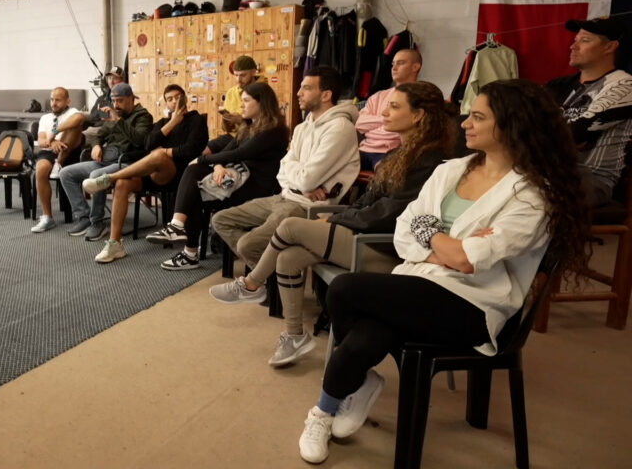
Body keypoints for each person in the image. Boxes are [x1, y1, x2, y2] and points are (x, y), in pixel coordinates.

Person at [297, 79, 589, 464]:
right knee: (371, 330)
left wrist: (434, 237)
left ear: (512, 125)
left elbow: (469, 260)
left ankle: (340, 396)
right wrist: (442, 244)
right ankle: (329, 406)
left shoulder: (532, 194)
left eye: (479, 117)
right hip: (421, 282)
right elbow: (407, 227)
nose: (465, 123)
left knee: (345, 291)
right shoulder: (451, 170)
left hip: (474, 304)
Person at [209, 82, 457, 366]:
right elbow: (367, 202)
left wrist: (339, 217)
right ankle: (295, 336)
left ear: (419, 116)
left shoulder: (430, 160)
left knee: (290, 226)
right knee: (288, 257)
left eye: (394, 106)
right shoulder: (399, 154)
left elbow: (391, 213)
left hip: (387, 247)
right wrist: (344, 216)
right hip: (365, 232)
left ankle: (252, 284)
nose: (384, 113)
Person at [211, 65, 360, 276]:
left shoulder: (340, 129)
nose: (298, 93)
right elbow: (282, 171)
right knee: (220, 220)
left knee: (247, 245)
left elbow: (306, 179)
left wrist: (300, 178)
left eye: (306, 88)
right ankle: (269, 276)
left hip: (308, 206)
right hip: (285, 196)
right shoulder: (302, 127)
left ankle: (262, 279)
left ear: (326, 95)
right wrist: (299, 178)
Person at [145, 81, 290, 270]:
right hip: (238, 179)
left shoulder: (274, 131)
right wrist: (217, 165)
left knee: (194, 177)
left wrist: (205, 161)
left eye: (246, 101)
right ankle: (183, 240)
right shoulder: (248, 127)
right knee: (195, 187)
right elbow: (229, 150)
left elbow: (240, 154)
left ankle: (184, 241)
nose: (241, 105)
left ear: (261, 103)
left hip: (257, 187)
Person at [83, 84, 208, 263]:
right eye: (170, 99)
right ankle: (114, 243)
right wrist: (172, 122)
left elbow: (193, 149)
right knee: (123, 184)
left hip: (181, 175)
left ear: (185, 98)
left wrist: (166, 152)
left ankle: (109, 178)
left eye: (177, 97)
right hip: (156, 174)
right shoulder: (164, 123)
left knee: (158, 154)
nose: (174, 101)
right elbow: (148, 144)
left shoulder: (196, 120)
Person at [544, 16, 632, 207]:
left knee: (524, 195)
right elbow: (522, 125)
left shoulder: (624, 85)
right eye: (575, 40)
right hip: (548, 171)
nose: (572, 47)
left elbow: (575, 132)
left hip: (591, 180)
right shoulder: (558, 86)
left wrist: (559, 136)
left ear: (610, 47)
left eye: (584, 41)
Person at [59, 82, 153, 241]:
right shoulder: (114, 115)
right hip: (106, 160)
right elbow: (98, 135)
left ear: (131, 99)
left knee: (96, 174)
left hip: (128, 163)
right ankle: (84, 217)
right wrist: (96, 146)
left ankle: (98, 222)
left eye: (120, 100)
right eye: (114, 101)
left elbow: (141, 141)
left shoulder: (143, 116)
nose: (116, 105)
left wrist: (118, 121)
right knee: (66, 173)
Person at [356, 49, 422, 170]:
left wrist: (373, 126)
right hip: (364, 148)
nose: (394, 68)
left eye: (401, 63)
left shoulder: (422, 96)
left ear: (415, 67)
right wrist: (387, 120)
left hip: (392, 152)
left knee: (386, 178)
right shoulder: (379, 95)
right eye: (393, 64)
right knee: (332, 166)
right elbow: (359, 124)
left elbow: (408, 133)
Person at [31, 87, 85, 233]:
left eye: (58, 100)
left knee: (74, 127)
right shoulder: (45, 118)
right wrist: (52, 142)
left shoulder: (73, 113)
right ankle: (47, 217)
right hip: (50, 151)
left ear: (68, 101)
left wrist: (55, 132)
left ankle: (59, 163)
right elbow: (42, 140)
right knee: (41, 169)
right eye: (52, 99)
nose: (54, 103)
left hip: (69, 150)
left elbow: (80, 118)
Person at [206, 55, 266, 154]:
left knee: (221, 157)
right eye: (236, 75)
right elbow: (226, 129)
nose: (238, 80)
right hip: (233, 135)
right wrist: (227, 119)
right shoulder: (231, 92)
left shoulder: (265, 91)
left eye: (243, 75)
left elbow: (265, 127)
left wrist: (242, 121)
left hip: (253, 137)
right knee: (204, 152)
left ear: (254, 72)